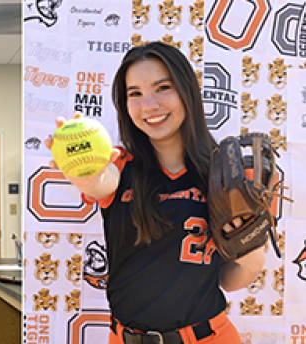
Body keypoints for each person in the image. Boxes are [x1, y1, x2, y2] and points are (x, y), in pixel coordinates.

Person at [45, 42, 265, 344]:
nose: (149, 105)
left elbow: (228, 280)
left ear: (187, 91)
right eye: (134, 93)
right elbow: (100, 183)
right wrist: (85, 174)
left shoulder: (227, 174)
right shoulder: (120, 166)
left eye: (162, 88)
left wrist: (253, 253)